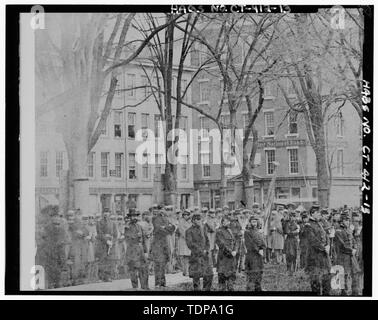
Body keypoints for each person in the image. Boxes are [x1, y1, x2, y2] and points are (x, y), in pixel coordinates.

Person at [305, 205, 331, 295]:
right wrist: (324, 248)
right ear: (313, 213)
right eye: (318, 213)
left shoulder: (319, 223)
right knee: (315, 279)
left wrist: (328, 245)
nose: (320, 214)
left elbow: (325, 235)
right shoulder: (308, 225)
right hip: (314, 255)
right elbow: (313, 240)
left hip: (323, 254)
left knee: (326, 276)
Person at [40, 210, 69, 288]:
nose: (56, 219)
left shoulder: (61, 228)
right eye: (54, 217)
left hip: (58, 250)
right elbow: (44, 237)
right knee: (52, 267)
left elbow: (64, 239)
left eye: (57, 218)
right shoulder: (47, 227)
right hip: (51, 250)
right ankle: (52, 283)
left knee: (58, 267)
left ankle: (57, 283)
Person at [185, 213, 214, 291]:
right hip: (196, 256)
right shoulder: (189, 231)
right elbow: (190, 244)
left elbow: (207, 241)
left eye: (200, 219)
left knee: (209, 274)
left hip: (205, 256)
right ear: (194, 220)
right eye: (198, 220)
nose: (200, 221)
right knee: (196, 276)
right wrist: (201, 251)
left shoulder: (203, 229)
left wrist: (207, 250)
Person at [150, 206, 176, 288]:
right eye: (159, 209)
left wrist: (165, 228)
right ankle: (158, 282)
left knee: (163, 263)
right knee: (158, 263)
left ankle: (162, 282)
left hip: (164, 243)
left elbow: (173, 228)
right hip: (158, 244)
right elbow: (158, 229)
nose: (161, 211)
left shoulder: (166, 218)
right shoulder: (155, 218)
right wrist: (166, 229)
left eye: (163, 209)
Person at [334, 214, 360, 295]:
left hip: (351, 256)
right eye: (345, 220)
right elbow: (342, 245)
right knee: (343, 275)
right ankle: (343, 293)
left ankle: (355, 292)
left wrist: (355, 248)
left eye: (348, 220)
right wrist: (351, 250)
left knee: (355, 273)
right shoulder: (338, 231)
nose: (347, 222)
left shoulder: (348, 230)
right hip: (343, 257)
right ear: (341, 222)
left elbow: (354, 241)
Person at [124, 210, 149, 290]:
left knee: (144, 268)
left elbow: (144, 239)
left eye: (136, 216)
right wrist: (136, 236)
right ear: (130, 217)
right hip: (132, 250)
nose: (134, 217)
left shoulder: (139, 226)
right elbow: (128, 238)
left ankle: (144, 286)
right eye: (133, 216)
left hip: (140, 250)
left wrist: (145, 251)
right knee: (133, 270)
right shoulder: (127, 227)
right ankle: (135, 287)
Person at [215, 216, 239, 291]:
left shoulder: (230, 230)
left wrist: (235, 250)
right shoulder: (219, 231)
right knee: (222, 276)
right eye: (226, 221)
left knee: (231, 277)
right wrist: (230, 252)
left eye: (229, 221)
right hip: (223, 257)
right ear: (222, 222)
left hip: (231, 258)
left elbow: (235, 242)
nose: (228, 223)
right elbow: (222, 244)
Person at [244, 214, 266, 291]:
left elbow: (263, 242)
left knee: (259, 273)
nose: (254, 223)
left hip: (259, 256)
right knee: (252, 274)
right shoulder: (247, 232)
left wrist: (262, 248)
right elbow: (250, 244)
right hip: (251, 256)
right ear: (250, 222)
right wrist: (258, 250)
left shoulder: (259, 231)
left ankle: (258, 288)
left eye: (256, 222)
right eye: (253, 222)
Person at [176, 209, 192, 276]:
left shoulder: (190, 222)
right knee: (184, 256)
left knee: (188, 256)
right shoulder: (181, 222)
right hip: (183, 241)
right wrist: (188, 237)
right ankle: (185, 270)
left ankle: (187, 270)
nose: (186, 216)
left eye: (187, 215)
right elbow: (182, 231)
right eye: (184, 215)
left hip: (189, 241)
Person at [85, 214, 98, 283]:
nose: (91, 219)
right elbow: (85, 236)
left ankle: (94, 277)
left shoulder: (95, 227)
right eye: (89, 218)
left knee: (95, 262)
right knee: (89, 262)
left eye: (92, 218)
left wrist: (94, 236)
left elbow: (96, 235)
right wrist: (89, 237)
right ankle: (88, 278)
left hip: (94, 244)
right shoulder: (86, 227)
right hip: (89, 245)